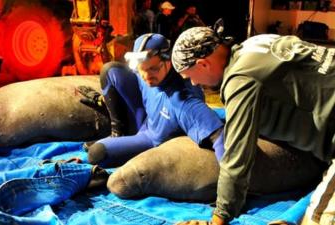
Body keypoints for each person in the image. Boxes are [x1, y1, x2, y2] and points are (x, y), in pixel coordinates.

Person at [171, 19, 335, 225]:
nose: (194, 83)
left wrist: (220, 217)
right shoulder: (256, 43)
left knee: (319, 219)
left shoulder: (240, 79)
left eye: (190, 76)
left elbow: (237, 155)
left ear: (203, 63)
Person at [78, 33, 224, 168]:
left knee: (96, 153)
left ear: (169, 62)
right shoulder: (147, 74)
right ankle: (119, 133)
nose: (147, 76)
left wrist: (231, 186)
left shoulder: (182, 99)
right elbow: (125, 75)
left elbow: (219, 136)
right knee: (110, 70)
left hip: (151, 139)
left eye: (154, 69)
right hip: (145, 119)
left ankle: (124, 139)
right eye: (142, 69)